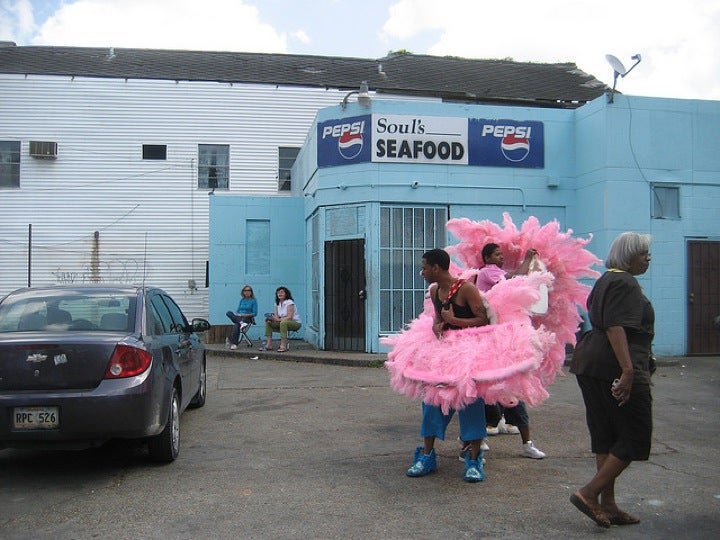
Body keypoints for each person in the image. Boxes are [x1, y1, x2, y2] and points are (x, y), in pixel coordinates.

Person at [569, 232, 654, 528]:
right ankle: (590, 494)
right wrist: (628, 372)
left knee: (606, 434)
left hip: (591, 364)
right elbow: (616, 327)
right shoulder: (625, 282)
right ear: (629, 255)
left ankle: (609, 504)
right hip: (613, 366)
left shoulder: (607, 279)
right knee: (634, 437)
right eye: (643, 253)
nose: (648, 258)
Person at [406, 248, 490, 483]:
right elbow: (437, 318)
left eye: (424, 267)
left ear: (436, 267)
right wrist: (438, 324)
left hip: (467, 355)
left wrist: (455, 321)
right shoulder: (435, 291)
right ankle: (426, 455)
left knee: (470, 401)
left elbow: (482, 320)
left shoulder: (466, 289)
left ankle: (474, 458)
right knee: (432, 399)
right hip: (442, 355)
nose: (421, 272)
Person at [474, 242, 546, 459]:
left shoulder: (495, 271)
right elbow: (513, 281)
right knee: (489, 389)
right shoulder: (488, 272)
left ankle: (526, 442)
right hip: (491, 339)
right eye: (496, 254)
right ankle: (480, 437)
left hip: (503, 338)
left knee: (511, 387)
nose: (501, 257)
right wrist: (526, 260)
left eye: (501, 254)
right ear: (486, 257)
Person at [264, 286, 301, 352]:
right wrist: (272, 318)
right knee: (268, 321)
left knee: (283, 322)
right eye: (278, 293)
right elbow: (276, 316)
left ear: (286, 294)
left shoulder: (289, 302)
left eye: (282, 292)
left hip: (294, 322)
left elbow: (290, 317)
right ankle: (269, 344)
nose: (280, 294)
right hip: (282, 322)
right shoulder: (277, 303)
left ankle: (283, 345)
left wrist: (278, 320)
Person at [225, 285, 258, 350]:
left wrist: (244, 315)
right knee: (228, 313)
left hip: (247, 318)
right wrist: (238, 314)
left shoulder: (253, 301)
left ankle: (234, 344)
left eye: (248, 290)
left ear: (251, 292)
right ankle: (241, 322)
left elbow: (255, 313)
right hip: (239, 318)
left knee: (236, 325)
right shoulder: (242, 300)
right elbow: (237, 311)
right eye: (245, 291)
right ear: (243, 292)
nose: (247, 292)